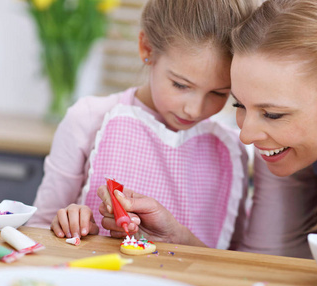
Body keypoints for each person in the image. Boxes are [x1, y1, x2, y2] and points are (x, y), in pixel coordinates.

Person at [98, 0, 317, 266]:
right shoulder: (291, 138)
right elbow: (269, 266)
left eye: (272, 114)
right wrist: (178, 240)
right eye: (239, 104)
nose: (247, 135)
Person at [27, 0, 259, 250]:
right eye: (181, 85)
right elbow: (39, 227)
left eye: (219, 93)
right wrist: (67, 223)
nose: (194, 109)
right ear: (147, 48)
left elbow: (235, 258)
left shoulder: (230, 150)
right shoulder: (86, 118)